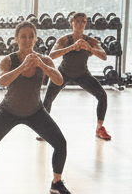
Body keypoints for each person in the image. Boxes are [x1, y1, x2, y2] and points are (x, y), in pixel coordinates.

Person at [0, 21, 72, 194]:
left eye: (31, 36)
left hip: (35, 111)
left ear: (35, 39)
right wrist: (22, 67)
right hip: (8, 110)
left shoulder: (45, 60)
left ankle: (56, 183)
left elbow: (58, 80)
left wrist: (42, 66)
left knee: (60, 143)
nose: (27, 40)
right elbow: (2, 81)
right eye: (23, 36)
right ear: (16, 39)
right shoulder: (9, 60)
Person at [42, 11, 111, 141]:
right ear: (72, 23)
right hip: (63, 72)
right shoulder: (64, 40)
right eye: (77, 21)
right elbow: (52, 55)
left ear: (85, 24)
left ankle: (99, 128)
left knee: (102, 95)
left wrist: (89, 48)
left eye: (83, 22)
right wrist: (71, 47)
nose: (80, 24)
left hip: (82, 74)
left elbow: (104, 56)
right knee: (48, 98)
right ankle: (43, 129)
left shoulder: (90, 41)